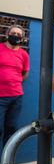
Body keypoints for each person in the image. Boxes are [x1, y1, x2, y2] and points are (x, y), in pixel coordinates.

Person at [0, 25, 30, 155]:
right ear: (7, 34)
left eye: (19, 34)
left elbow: (25, 73)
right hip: (0, 96)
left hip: (16, 97)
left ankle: (7, 163)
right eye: (14, 33)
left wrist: (14, 82)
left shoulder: (23, 54)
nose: (16, 36)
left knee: (11, 129)